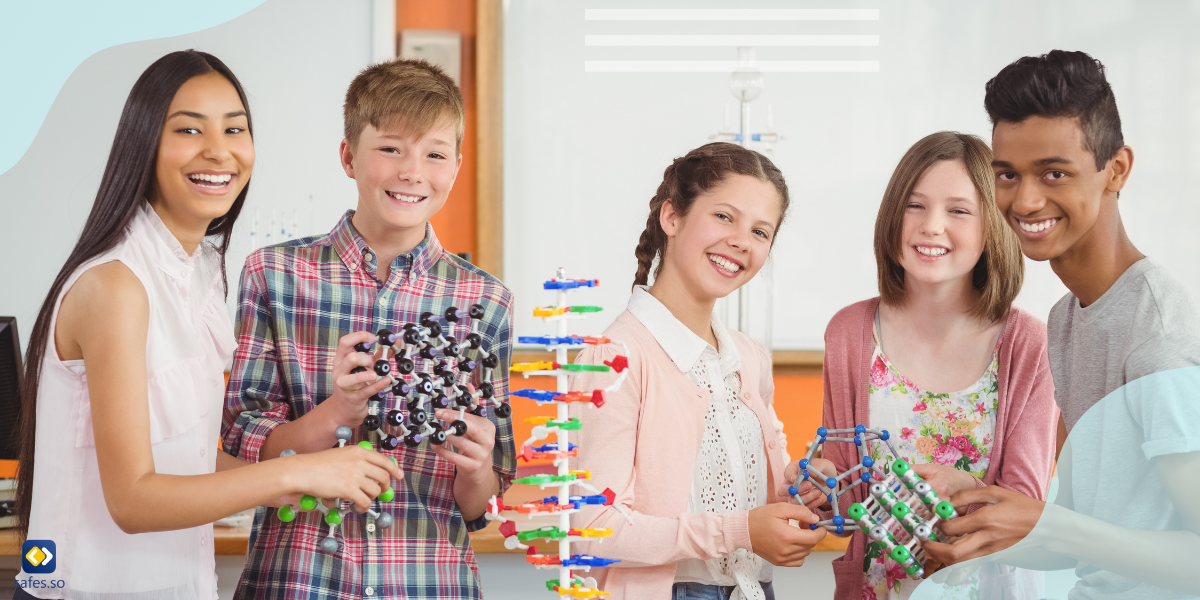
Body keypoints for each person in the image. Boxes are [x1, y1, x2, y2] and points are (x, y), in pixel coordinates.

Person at [12, 50, 399, 600]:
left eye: (234, 129)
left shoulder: (199, 274)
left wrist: (308, 473)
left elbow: (185, 457)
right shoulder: (116, 286)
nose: (219, 151)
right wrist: (291, 476)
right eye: (189, 129)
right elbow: (132, 499)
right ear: (144, 144)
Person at [221, 58, 515, 600]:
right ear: (348, 157)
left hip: (429, 580)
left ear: (456, 166)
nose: (412, 171)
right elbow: (242, 450)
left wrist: (476, 472)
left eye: (435, 153)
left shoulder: (487, 300)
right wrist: (336, 413)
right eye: (390, 148)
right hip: (299, 579)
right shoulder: (276, 275)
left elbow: (480, 503)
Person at [922, 50, 1200, 599]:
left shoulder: (1158, 339)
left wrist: (1044, 521)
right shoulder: (1067, 320)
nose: (1024, 200)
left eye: (1054, 172)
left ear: (1116, 168)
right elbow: (1085, 535)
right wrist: (981, 514)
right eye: (1007, 174)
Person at [786, 131, 1059, 599]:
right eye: (915, 206)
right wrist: (821, 485)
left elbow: (1024, 511)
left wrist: (965, 484)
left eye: (958, 210)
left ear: (992, 225)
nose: (932, 226)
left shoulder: (1028, 343)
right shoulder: (850, 332)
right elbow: (849, 501)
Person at [568, 142, 825, 600]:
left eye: (761, 232)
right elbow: (592, 528)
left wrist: (798, 489)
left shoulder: (749, 359)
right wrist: (739, 531)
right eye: (724, 217)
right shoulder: (615, 355)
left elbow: (747, 498)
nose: (742, 241)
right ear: (672, 217)